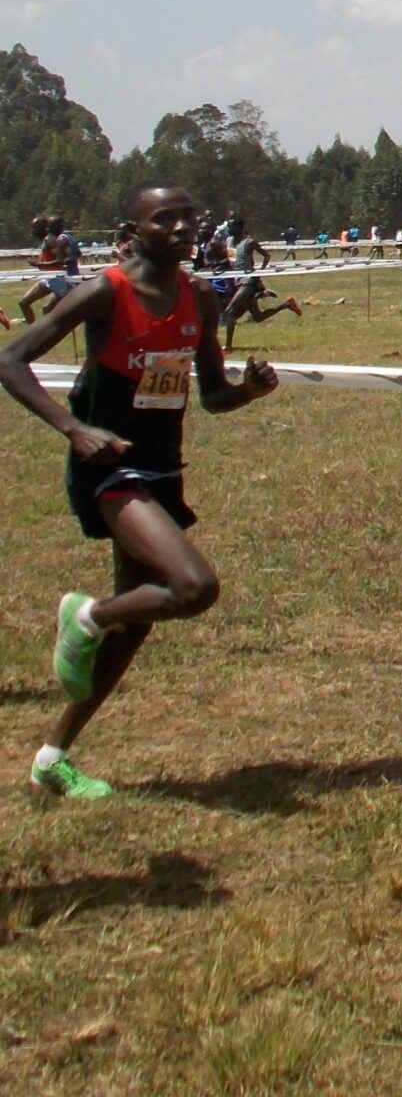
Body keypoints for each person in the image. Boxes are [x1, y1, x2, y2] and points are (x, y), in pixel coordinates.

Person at [0, 184, 277, 797]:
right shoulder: (104, 292)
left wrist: (249, 391)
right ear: (135, 230)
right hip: (110, 468)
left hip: (162, 468)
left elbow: (212, 394)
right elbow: (10, 359)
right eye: (164, 219)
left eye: (188, 217)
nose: (181, 228)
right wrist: (73, 429)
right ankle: (86, 614)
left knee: (137, 624)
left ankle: (51, 757)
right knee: (193, 587)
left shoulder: (199, 295)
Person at [220, 214, 302, 350]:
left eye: (231, 226)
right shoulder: (228, 241)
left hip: (248, 282)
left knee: (230, 311)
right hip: (238, 281)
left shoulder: (249, 242)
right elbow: (232, 259)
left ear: (239, 228)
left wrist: (259, 273)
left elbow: (266, 256)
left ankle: (228, 346)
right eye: (228, 226)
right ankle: (287, 305)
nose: (228, 229)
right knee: (258, 317)